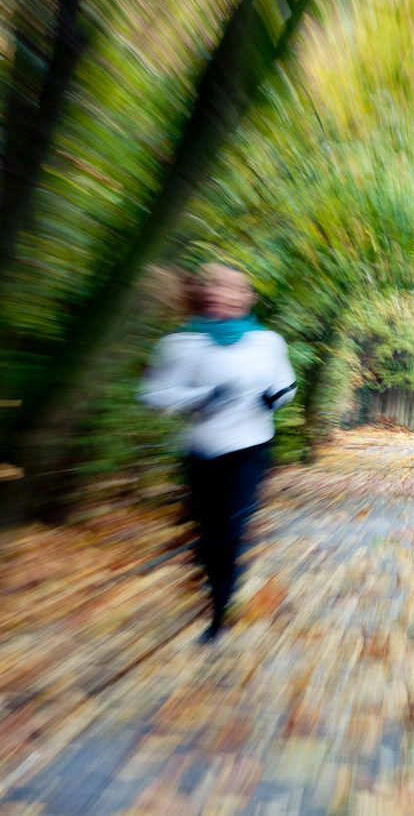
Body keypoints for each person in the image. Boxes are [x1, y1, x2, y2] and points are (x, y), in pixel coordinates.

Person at [139, 263, 297, 642]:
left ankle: (219, 612)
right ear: (204, 293)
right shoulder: (180, 343)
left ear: (247, 297)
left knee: (229, 532)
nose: (222, 293)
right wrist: (202, 397)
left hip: (251, 448)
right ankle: (215, 574)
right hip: (201, 452)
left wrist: (274, 398)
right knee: (210, 534)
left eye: (232, 288)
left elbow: (287, 385)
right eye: (215, 286)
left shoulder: (268, 342)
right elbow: (152, 395)